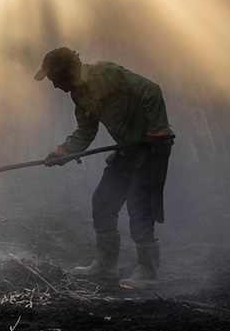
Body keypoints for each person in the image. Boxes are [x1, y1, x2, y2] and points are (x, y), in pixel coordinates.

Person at [38, 46, 175, 291]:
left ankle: (149, 272)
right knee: (103, 201)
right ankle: (106, 265)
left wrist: (157, 130)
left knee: (139, 206)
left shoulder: (105, 73)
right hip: (127, 149)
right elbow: (86, 130)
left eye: (54, 78)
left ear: (67, 70)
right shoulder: (79, 94)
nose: (54, 85)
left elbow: (151, 89)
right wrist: (64, 151)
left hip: (151, 148)